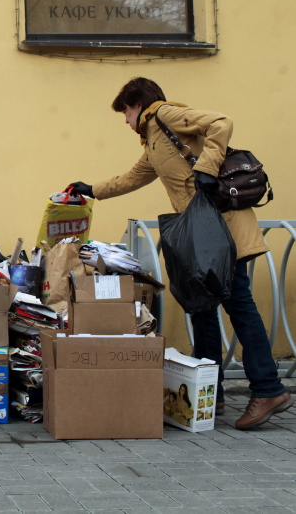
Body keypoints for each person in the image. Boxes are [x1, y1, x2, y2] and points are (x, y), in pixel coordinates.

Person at [69, 76, 292, 430]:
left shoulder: (165, 116)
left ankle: (268, 389)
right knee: (202, 310)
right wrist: (91, 189)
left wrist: (206, 167)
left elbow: (222, 122)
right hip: (204, 238)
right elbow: (131, 177)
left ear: (138, 103)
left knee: (238, 305)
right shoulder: (154, 143)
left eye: (125, 113)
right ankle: (209, 395)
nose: (126, 122)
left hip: (225, 234)